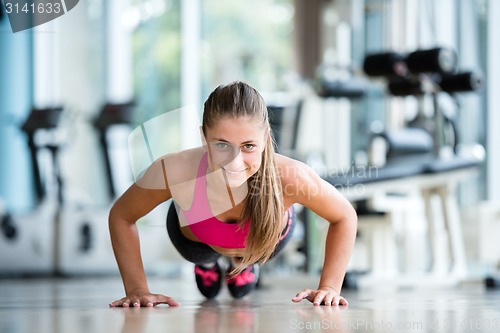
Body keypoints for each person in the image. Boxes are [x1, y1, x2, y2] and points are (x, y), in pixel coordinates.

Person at [108, 81, 357, 308]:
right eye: (222, 145)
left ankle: (242, 264)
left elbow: (344, 216)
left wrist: (330, 287)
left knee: (244, 279)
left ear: (266, 140)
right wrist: (137, 289)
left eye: (248, 146)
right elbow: (121, 215)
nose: (235, 162)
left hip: (262, 241)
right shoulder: (174, 170)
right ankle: (209, 264)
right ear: (204, 138)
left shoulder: (292, 176)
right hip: (198, 243)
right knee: (203, 255)